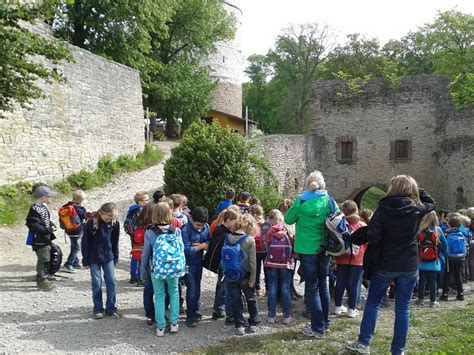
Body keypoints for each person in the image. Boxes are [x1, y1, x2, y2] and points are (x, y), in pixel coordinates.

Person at [346, 175, 436, 355]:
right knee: (402, 308)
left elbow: (373, 237)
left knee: (373, 303)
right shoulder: (416, 209)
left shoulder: (383, 209)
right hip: (408, 264)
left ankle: (364, 343)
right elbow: (431, 202)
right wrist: (416, 188)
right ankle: (398, 351)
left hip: (386, 263)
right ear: (411, 189)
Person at [285, 170, 332, 338]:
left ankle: (317, 328)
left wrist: (298, 205)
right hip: (325, 248)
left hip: (307, 249)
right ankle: (325, 323)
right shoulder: (329, 201)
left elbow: (288, 219)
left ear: (307, 184)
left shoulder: (301, 202)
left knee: (311, 287)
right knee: (323, 285)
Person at [141, 202, 185, 336]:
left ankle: (160, 327)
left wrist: (144, 272)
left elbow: (145, 255)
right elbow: (181, 250)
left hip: (157, 269)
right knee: (174, 293)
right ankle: (174, 324)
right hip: (173, 268)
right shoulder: (176, 230)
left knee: (159, 295)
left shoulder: (150, 233)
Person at [82, 202, 121, 319]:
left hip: (108, 256)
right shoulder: (91, 223)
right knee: (96, 283)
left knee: (111, 281)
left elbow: (115, 241)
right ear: (101, 213)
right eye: (108, 218)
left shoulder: (115, 223)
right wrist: (85, 259)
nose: (110, 220)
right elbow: (85, 242)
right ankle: (98, 309)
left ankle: (111, 308)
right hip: (93, 257)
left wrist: (116, 255)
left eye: (112, 218)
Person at [224, 213, 259, 335]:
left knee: (236, 299)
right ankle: (253, 323)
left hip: (231, 274)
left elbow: (224, 258)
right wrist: (253, 279)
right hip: (245, 275)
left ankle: (239, 325)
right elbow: (253, 262)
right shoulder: (250, 240)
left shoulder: (227, 237)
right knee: (251, 299)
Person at [204, 209, 239, 321]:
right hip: (223, 264)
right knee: (223, 286)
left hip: (219, 263)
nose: (235, 225)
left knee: (221, 285)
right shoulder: (225, 235)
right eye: (234, 222)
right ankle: (219, 309)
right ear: (228, 220)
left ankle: (218, 308)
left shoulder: (218, 230)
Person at [333, 200, 367, 318]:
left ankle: (338, 306)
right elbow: (367, 243)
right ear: (356, 210)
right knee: (354, 283)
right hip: (358, 258)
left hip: (342, 256)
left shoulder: (340, 224)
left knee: (340, 282)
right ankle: (351, 309)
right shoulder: (362, 225)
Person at [181, 206, 210, 327]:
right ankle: (190, 316)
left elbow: (209, 241)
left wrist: (202, 245)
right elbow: (186, 250)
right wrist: (201, 246)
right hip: (188, 264)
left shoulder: (206, 227)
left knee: (197, 287)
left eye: (202, 226)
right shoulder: (185, 230)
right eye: (198, 225)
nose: (200, 228)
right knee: (192, 289)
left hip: (199, 262)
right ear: (191, 218)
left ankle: (196, 310)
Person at [265, 209, 294, 325]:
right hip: (286, 263)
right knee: (285, 289)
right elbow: (293, 243)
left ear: (271, 219)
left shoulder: (269, 231)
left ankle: (271, 316)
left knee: (272, 288)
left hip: (272, 263)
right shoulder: (288, 229)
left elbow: (265, 244)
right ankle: (287, 316)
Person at [26, 185, 58, 291]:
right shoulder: (34, 209)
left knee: (47, 258)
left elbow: (45, 220)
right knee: (43, 260)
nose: (49, 198)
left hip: (45, 238)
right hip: (39, 239)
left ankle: (44, 276)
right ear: (43, 197)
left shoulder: (43, 207)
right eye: (48, 196)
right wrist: (47, 230)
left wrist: (51, 225)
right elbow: (34, 225)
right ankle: (41, 281)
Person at [416, 211, 447, 308]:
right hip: (434, 260)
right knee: (433, 281)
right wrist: (440, 255)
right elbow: (445, 245)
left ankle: (420, 299)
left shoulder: (420, 230)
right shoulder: (438, 230)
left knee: (422, 280)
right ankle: (432, 301)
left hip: (422, 260)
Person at [124, 192, 150, 285]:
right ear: (139, 202)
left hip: (134, 236)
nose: (148, 201)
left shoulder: (131, 210)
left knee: (135, 255)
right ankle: (140, 278)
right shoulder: (142, 211)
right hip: (142, 236)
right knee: (142, 256)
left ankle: (133, 276)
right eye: (146, 200)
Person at [440, 213, 467, 301]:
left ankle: (445, 294)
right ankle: (460, 293)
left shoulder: (447, 233)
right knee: (458, 275)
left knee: (447, 275)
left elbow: (444, 245)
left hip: (450, 257)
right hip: (460, 257)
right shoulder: (461, 233)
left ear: (449, 224)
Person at [62, 190, 87, 273]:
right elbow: (84, 215)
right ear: (79, 200)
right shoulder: (77, 208)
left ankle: (75, 262)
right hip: (76, 230)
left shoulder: (67, 205)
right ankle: (68, 263)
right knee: (76, 247)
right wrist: (83, 208)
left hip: (69, 230)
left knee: (74, 246)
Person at [251, 204, 271, 297]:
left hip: (254, 248)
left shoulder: (251, 222)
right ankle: (268, 289)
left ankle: (257, 288)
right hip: (265, 249)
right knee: (267, 270)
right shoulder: (265, 223)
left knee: (256, 270)